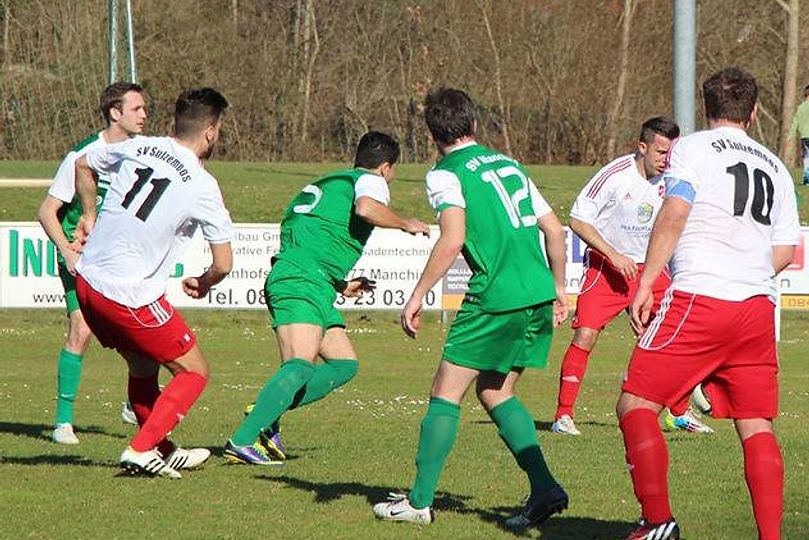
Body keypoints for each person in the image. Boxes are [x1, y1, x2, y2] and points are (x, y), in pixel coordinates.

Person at [372, 88, 569, 529]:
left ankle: (419, 502)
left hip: (495, 297)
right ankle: (545, 488)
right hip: (536, 293)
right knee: (496, 390)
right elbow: (554, 231)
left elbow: (453, 238)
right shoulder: (509, 165)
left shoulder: (445, 174)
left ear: (431, 134)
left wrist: (418, 293)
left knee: (446, 392)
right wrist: (559, 287)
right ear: (474, 125)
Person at [616, 67, 800, 540]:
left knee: (636, 401)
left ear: (706, 108)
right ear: (754, 112)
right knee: (756, 424)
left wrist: (646, 283)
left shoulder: (693, 148)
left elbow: (675, 213)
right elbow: (783, 251)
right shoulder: (776, 166)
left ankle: (657, 521)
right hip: (758, 306)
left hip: (701, 298)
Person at [223, 131, 430, 465]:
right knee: (300, 365)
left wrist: (340, 284)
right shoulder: (370, 182)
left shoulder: (328, 184)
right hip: (301, 281)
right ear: (386, 168)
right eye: (393, 172)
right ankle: (243, 439)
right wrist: (405, 222)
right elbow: (366, 208)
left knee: (344, 365)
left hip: (313, 281)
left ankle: (267, 413)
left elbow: (312, 237)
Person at [73, 87, 235, 478]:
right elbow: (224, 263)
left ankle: (162, 448)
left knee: (143, 366)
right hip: (128, 294)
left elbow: (82, 163)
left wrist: (89, 214)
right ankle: (141, 449)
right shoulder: (201, 184)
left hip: (88, 284)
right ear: (211, 132)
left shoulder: (138, 146)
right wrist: (207, 280)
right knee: (194, 371)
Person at [551, 117, 711, 437]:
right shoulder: (614, 175)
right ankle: (564, 415)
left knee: (668, 340)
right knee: (586, 336)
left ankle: (677, 413)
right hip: (606, 269)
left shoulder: (674, 179)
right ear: (642, 147)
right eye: (661, 152)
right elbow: (579, 220)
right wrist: (612, 254)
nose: (667, 159)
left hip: (650, 271)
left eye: (671, 152)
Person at [36, 82, 147, 444]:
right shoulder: (82, 155)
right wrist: (67, 251)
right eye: (137, 109)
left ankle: (136, 402)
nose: (145, 115)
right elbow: (46, 212)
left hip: (118, 260)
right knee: (81, 330)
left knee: (141, 333)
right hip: (80, 258)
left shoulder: (143, 154)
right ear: (115, 113)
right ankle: (62, 422)